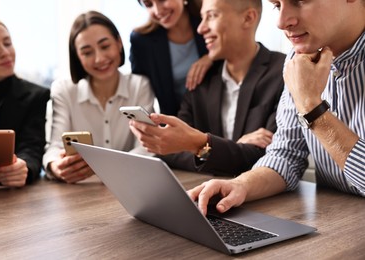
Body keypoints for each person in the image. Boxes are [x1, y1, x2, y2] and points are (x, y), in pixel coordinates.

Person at [187, 0, 365, 216]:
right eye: (276, 5)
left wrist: (312, 108)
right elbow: (287, 153)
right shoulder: (297, 59)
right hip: (335, 225)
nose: (281, 22)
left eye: (298, 1)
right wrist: (241, 185)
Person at [129, 0, 285, 176]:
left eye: (211, 16)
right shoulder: (199, 80)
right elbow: (171, 151)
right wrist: (236, 147)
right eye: (202, 17)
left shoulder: (283, 73)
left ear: (248, 18)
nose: (200, 28)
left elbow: (274, 156)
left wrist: (199, 146)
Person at [43, 11, 154, 184]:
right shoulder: (64, 90)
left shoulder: (139, 86)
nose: (99, 58)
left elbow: (147, 146)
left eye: (105, 46)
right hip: (79, 191)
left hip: (129, 185)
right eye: (87, 52)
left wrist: (106, 167)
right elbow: (54, 146)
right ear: (77, 57)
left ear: (118, 43)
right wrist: (55, 166)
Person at [0, 16, 50, 187]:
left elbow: (32, 147)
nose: (5, 52)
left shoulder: (36, 95)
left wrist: (24, 168)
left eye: (7, 43)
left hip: (10, 194)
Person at [130, 0, 214, 115]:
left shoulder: (211, 20)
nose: (158, 11)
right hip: (177, 123)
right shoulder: (141, 42)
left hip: (219, 115)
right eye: (149, 4)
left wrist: (212, 57)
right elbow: (139, 90)